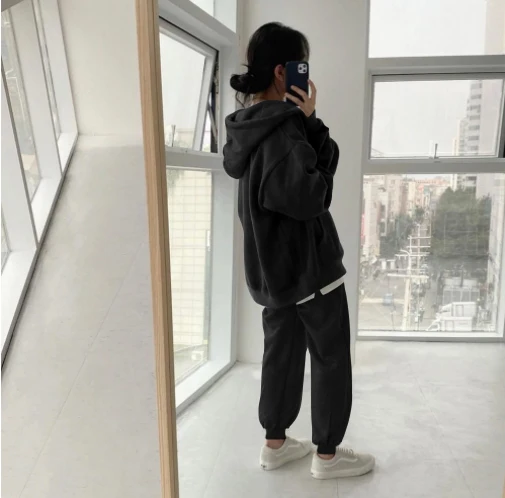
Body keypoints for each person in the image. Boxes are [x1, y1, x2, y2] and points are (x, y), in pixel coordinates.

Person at [223, 22, 374, 480]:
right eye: (299, 65)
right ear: (280, 72)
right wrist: (311, 122)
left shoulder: (248, 130)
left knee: (281, 353)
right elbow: (313, 196)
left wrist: (305, 121)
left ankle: (275, 443)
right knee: (330, 356)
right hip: (309, 267)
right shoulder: (283, 131)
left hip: (273, 272)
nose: (304, 74)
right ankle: (327, 456)